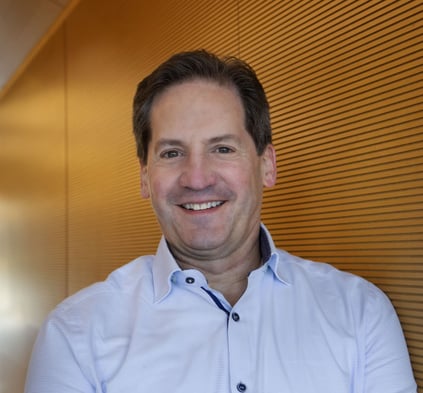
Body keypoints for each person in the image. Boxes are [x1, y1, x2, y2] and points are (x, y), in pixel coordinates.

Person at [25, 50, 417, 393]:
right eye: (172, 153)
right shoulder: (75, 336)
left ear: (267, 165)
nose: (197, 178)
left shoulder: (361, 313)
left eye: (223, 148)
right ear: (145, 176)